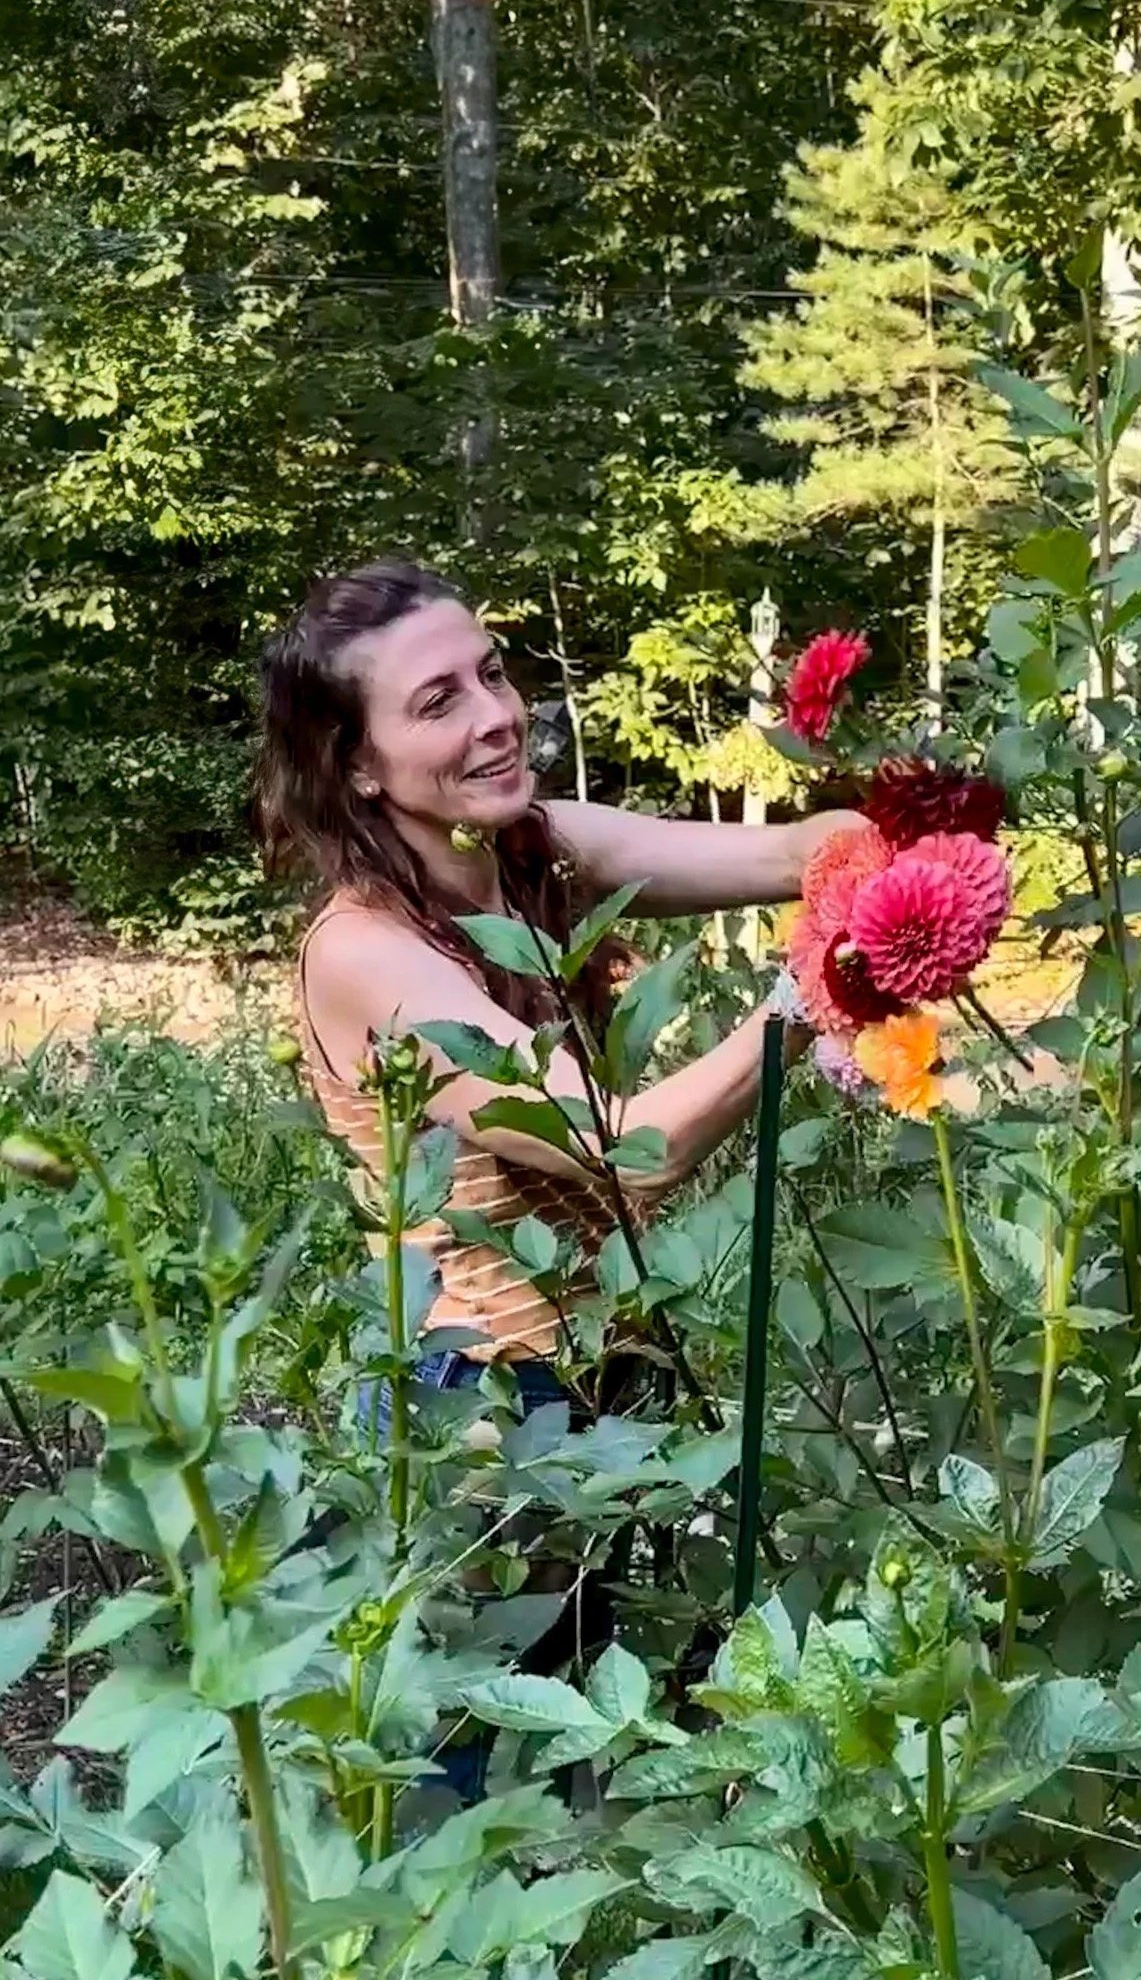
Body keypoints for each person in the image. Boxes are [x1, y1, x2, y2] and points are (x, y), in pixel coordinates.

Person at [255, 557, 858, 1428]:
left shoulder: (539, 851)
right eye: (439, 702)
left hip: (612, 1349)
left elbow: (786, 854)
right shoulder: (362, 951)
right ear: (356, 767)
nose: (498, 716)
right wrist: (812, 992)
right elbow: (621, 1148)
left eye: (491, 674)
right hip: (476, 1396)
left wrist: (893, 846)